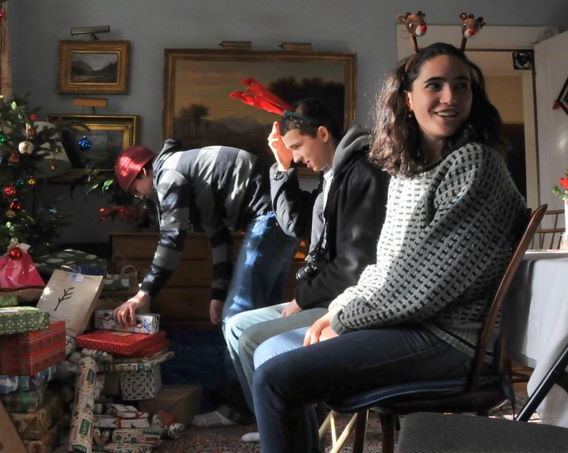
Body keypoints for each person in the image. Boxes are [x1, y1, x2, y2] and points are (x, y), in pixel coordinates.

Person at [251, 42, 529, 453]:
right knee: (270, 351)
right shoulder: (407, 170)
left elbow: (428, 285)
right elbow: (384, 268)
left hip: (450, 339)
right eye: (435, 85)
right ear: (408, 99)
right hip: (408, 326)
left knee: (275, 378)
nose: (450, 97)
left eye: (462, 86)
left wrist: (345, 319)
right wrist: (338, 309)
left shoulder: (474, 163)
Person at [223, 98, 388, 436]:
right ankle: (277, 426)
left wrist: (301, 298)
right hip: (322, 296)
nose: (297, 157)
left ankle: (286, 432)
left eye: (297, 147)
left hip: (347, 302)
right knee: (236, 326)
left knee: (252, 339)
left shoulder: (363, 174)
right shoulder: (331, 176)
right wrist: (282, 167)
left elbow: (355, 267)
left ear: (323, 134)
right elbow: (295, 224)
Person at [112, 142, 299, 329]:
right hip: (285, 214)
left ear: (143, 172)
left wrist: (143, 293)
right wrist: (218, 294)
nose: (141, 197)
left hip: (269, 215)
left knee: (236, 318)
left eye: (135, 191)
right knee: (267, 312)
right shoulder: (192, 173)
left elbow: (171, 239)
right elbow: (220, 238)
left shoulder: (168, 175)